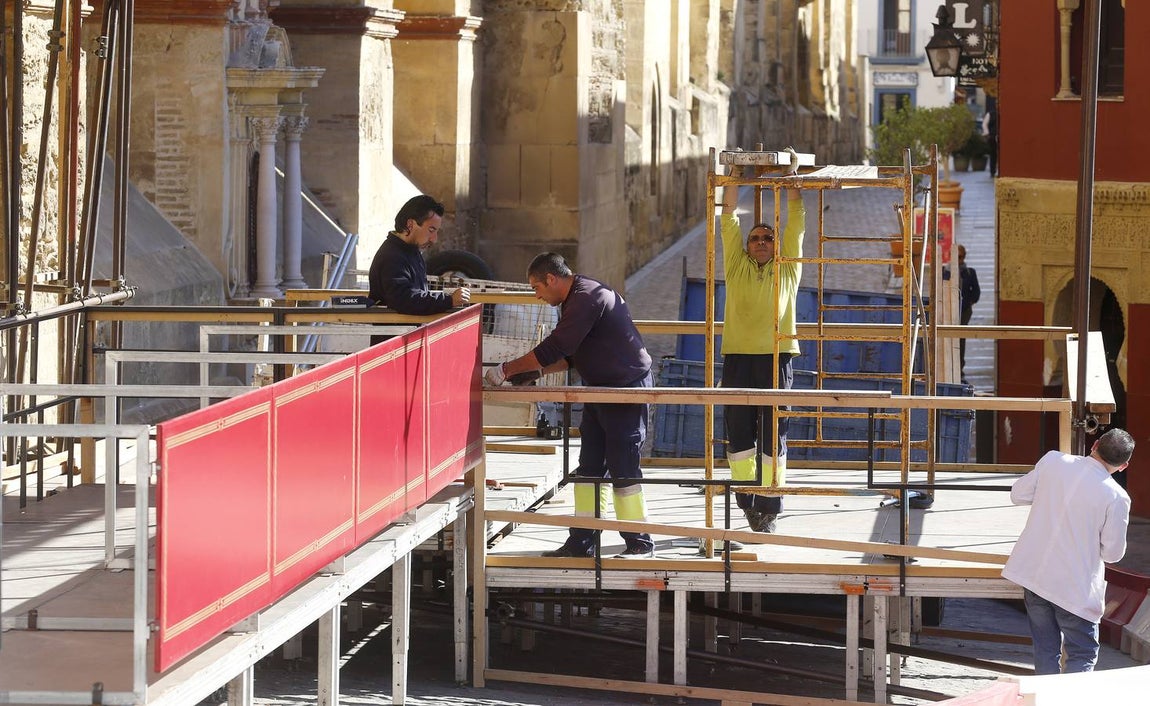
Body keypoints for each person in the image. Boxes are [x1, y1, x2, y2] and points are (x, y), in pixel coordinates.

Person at [485, 252, 655, 559]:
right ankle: (582, 541)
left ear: (551, 279)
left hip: (625, 390)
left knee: (623, 465)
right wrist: (535, 373)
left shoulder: (586, 298)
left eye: (536, 287)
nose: (537, 296)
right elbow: (573, 356)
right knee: (589, 466)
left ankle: (639, 542)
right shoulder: (575, 299)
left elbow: (556, 347)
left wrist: (506, 370)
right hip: (600, 389)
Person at [1001, 428, 1135, 675]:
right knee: (1082, 653)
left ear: (1095, 445)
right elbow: (1113, 554)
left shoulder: (1054, 460)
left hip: (1035, 575)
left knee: (1045, 649)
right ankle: (1069, 696)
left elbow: (1018, 494)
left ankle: (1046, 696)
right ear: (1123, 466)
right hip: (1075, 587)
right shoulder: (1117, 497)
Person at [720, 152, 805, 533]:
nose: (760, 242)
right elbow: (727, 219)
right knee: (739, 433)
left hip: (776, 356)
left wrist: (792, 179)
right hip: (738, 357)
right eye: (754, 238)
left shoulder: (787, 268)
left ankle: (770, 505)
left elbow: (797, 224)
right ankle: (746, 501)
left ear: (775, 244)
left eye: (767, 237)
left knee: (774, 432)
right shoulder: (736, 265)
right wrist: (733, 177)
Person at [368, 194, 470, 316]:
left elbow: (417, 295)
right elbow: (405, 300)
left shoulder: (411, 251)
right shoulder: (392, 256)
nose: (434, 239)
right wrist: (449, 300)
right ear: (410, 224)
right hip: (396, 328)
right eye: (431, 230)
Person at [957, 244, 980, 380]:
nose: (957, 260)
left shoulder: (969, 272)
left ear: (964, 257)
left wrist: (969, 302)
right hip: (948, 309)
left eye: (960, 257)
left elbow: (976, 292)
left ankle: (959, 366)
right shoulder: (945, 271)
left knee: (960, 338)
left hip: (964, 310)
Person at [981, 105, 998, 176]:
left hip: (1001, 137)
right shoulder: (990, 114)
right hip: (992, 137)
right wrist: (987, 133)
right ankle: (992, 171)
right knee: (993, 154)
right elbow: (984, 124)